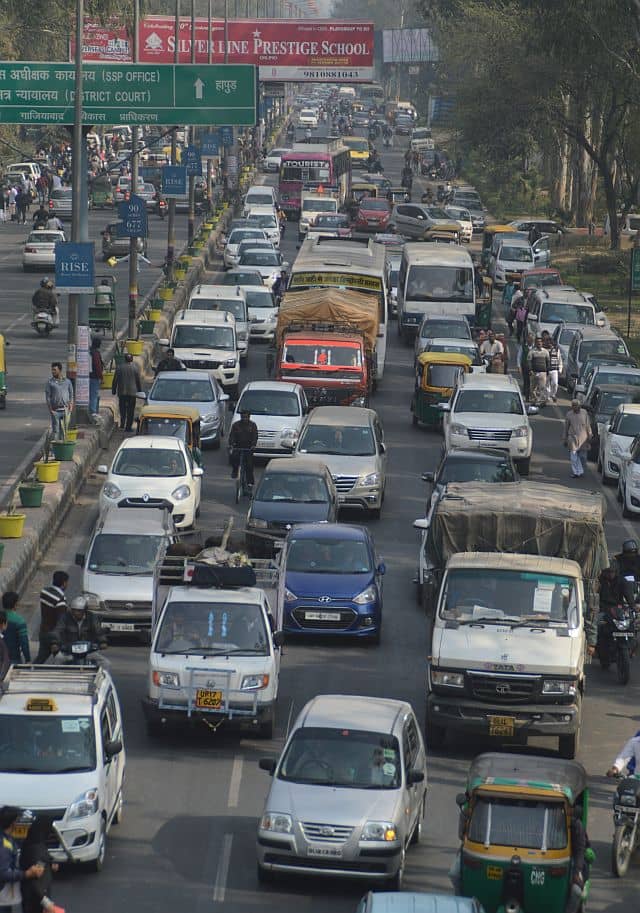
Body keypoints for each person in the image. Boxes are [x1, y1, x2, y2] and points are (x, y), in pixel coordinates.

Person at [0, 807, 45, 913]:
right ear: (13, 823)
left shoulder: (7, 839)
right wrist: (26, 874)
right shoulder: (4, 845)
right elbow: (3, 874)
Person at [19, 817, 59, 913]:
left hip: (28, 899)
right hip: (36, 904)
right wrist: (47, 903)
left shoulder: (30, 844)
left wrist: (50, 863)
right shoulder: (38, 851)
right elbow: (34, 883)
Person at [36, 570, 69, 663]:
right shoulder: (60, 599)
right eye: (67, 582)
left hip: (43, 632)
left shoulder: (44, 592)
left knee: (40, 659)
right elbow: (61, 621)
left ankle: (29, 670)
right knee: (66, 659)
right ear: (64, 583)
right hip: (54, 635)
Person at [111, 352, 141, 431]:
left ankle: (122, 423)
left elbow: (115, 380)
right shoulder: (135, 368)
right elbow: (138, 381)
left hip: (122, 392)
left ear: (124, 359)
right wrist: (139, 391)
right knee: (130, 411)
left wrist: (113, 390)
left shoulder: (119, 367)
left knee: (122, 409)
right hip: (132, 393)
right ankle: (128, 427)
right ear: (132, 359)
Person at [228, 409, 258, 485]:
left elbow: (255, 436)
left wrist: (253, 445)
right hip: (238, 446)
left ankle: (250, 483)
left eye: (246, 417)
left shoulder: (253, 425)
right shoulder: (236, 425)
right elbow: (232, 436)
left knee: (249, 465)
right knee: (234, 458)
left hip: (249, 448)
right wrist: (231, 444)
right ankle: (235, 471)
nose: (244, 419)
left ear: (249, 417)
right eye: (243, 417)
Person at [563, 399, 592, 478]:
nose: (575, 407)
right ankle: (575, 472)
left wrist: (590, 435)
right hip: (572, 438)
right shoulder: (569, 414)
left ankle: (580, 471)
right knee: (573, 456)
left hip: (583, 438)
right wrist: (565, 438)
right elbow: (566, 427)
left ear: (579, 406)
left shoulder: (584, 413)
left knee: (582, 457)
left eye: (576, 406)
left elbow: (588, 425)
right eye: (573, 406)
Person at [44, 362, 73, 439]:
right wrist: (51, 410)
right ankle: (55, 445)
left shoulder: (67, 382)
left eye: (55, 370)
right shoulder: (50, 382)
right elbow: (48, 397)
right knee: (56, 431)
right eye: (52, 370)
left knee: (64, 431)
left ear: (60, 370)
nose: (53, 371)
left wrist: (71, 405)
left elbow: (71, 394)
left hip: (65, 410)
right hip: (55, 411)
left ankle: (62, 445)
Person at [0, 593, 30, 664]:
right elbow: (24, 643)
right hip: (14, 659)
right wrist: (28, 659)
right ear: (15, 604)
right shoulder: (19, 621)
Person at [527, 335, 550, 405]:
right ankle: (535, 400)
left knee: (542, 387)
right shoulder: (532, 351)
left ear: (542, 343)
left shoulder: (545, 352)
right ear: (535, 343)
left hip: (543, 373)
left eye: (540, 342)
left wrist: (547, 371)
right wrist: (530, 370)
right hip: (534, 372)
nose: (539, 343)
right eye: (537, 342)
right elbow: (529, 361)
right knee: (532, 388)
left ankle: (541, 401)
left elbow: (548, 361)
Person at [542, 332, 562, 402]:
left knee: (555, 383)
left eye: (550, 342)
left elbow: (559, 359)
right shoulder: (544, 349)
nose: (549, 343)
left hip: (554, 369)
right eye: (548, 342)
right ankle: (547, 397)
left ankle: (553, 394)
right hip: (546, 369)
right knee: (546, 384)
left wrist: (560, 369)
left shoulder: (556, 349)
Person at [89, 336, 103, 420]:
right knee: (94, 395)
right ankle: (93, 412)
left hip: (88, 376)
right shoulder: (96, 354)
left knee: (91, 395)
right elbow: (98, 366)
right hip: (94, 377)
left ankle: (93, 411)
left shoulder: (89, 352)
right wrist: (101, 377)